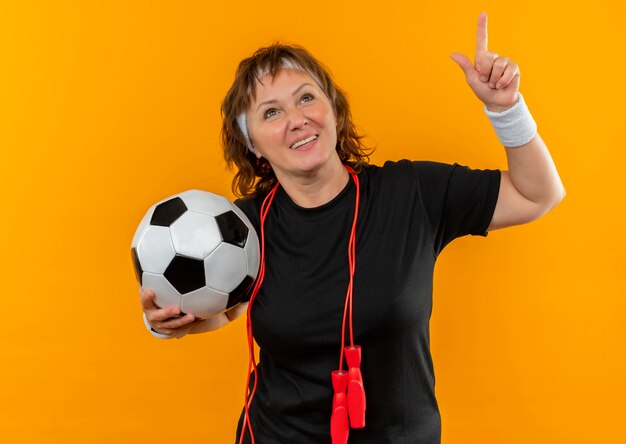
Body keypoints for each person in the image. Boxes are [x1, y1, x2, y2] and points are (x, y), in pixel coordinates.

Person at [139, 12, 565, 444]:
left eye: (306, 98)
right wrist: (169, 320)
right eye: (271, 112)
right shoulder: (241, 227)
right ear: (253, 145)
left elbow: (538, 195)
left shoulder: (412, 193)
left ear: (334, 110)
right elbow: (224, 308)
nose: (296, 119)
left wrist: (505, 108)